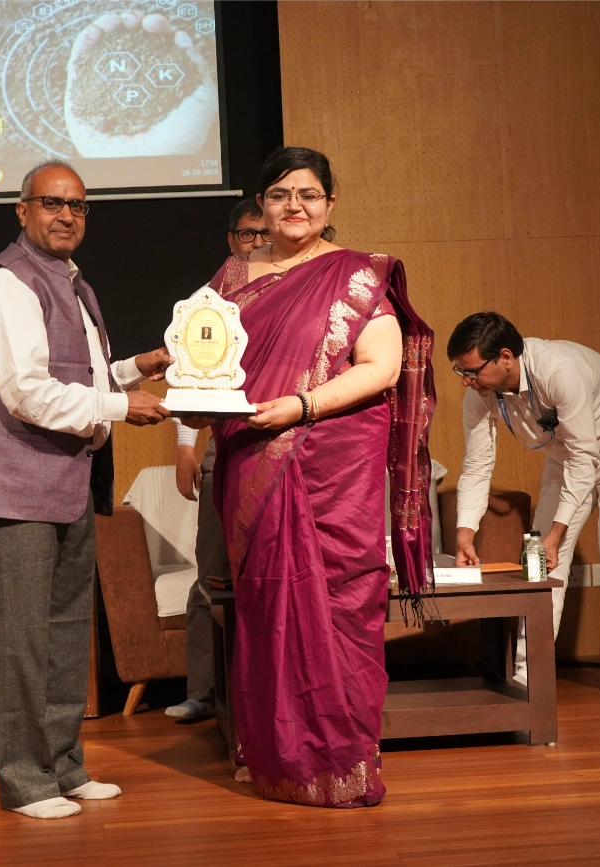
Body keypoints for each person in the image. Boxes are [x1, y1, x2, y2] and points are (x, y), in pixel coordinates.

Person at [184, 147, 436, 807]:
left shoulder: (355, 274)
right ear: (261, 205)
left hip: (331, 468)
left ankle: (340, 759)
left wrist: (301, 407)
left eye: (308, 194)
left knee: (341, 603)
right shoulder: (232, 276)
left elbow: (381, 366)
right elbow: (205, 359)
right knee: (267, 604)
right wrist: (195, 403)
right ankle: (278, 756)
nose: (294, 206)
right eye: (279, 194)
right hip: (252, 460)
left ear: (330, 203)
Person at [0, 159, 172, 819]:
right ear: (21, 210)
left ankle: (62, 767)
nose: (66, 215)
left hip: (71, 481)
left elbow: (76, 373)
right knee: (21, 638)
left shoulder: (71, 281)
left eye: (78, 205)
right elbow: (26, 390)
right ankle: (25, 781)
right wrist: (118, 407)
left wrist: (132, 370)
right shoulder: (7, 282)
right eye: (52, 203)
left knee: (65, 633)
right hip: (20, 486)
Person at [449, 313, 600, 702]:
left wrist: (557, 534)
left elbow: (586, 457)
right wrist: (465, 535)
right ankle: (530, 671)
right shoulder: (480, 393)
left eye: (472, 371)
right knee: (540, 563)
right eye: (460, 371)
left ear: (505, 357)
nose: (466, 380)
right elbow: (476, 467)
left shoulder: (558, 370)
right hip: (567, 453)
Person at [164, 197, 270, 722]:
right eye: (248, 234)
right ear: (231, 240)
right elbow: (193, 376)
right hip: (223, 448)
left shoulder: (299, 288)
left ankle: (268, 695)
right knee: (211, 572)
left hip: (281, 448)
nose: (257, 243)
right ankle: (204, 693)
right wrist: (187, 445)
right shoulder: (211, 299)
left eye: (265, 234)